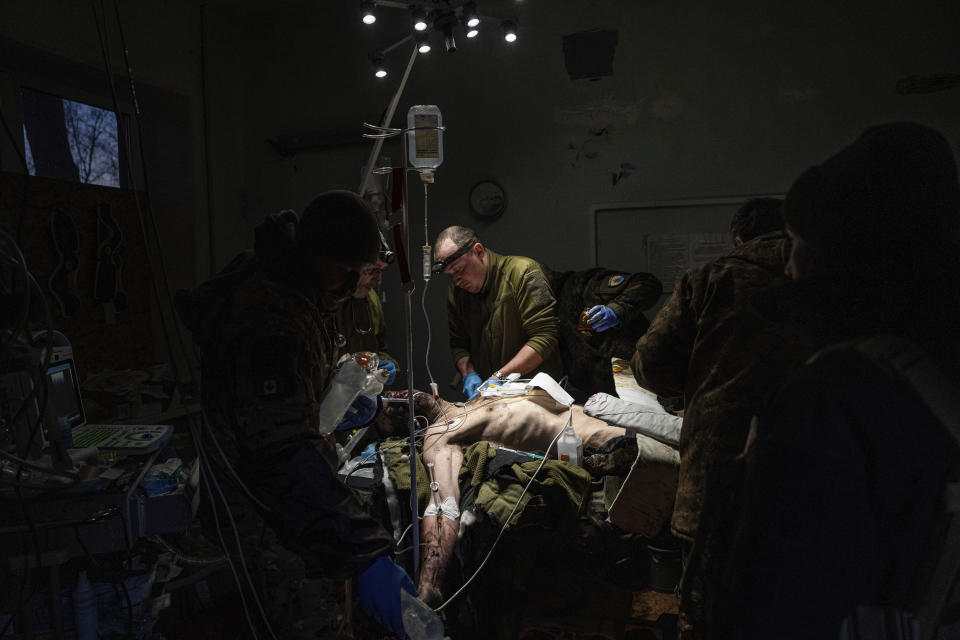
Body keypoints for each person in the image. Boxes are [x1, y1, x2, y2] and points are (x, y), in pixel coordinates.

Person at [715, 123, 960, 639]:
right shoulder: (932, 359)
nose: (787, 264)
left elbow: (777, 588)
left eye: (798, 242)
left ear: (841, 257)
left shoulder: (832, 396)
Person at [175, 191, 414, 638]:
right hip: (263, 520)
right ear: (312, 255)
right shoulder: (270, 318)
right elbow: (282, 451)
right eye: (343, 272)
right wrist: (363, 549)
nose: (348, 288)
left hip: (280, 505)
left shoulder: (301, 298)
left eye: (356, 274)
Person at [631, 197, 820, 638]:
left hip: (718, 478)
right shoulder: (831, 281)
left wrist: (695, 376)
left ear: (739, 237)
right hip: (811, 474)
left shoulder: (713, 277)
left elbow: (652, 365)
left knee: (709, 611)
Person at [433, 226, 562, 399]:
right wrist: (468, 373)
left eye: (459, 270)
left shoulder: (523, 273)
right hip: (490, 398)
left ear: (478, 251)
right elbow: (459, 344)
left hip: (536, 395)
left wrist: (499, 378)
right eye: (450, 276)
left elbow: (545, 337)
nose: (456, 281)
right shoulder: (457, 293)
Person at [544, 265, 662, 399]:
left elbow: (647, 283)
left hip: (641, 379)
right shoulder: (543, 312)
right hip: (596, 394)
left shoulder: (581, 285)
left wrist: (616, 310)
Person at [335, 246, 398, 386]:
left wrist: (387, 365)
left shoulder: (371, 300)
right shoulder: (331, 301)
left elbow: (379, 347)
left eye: (381, 271)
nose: (379, 280)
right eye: (372, 270)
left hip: (365, 389)